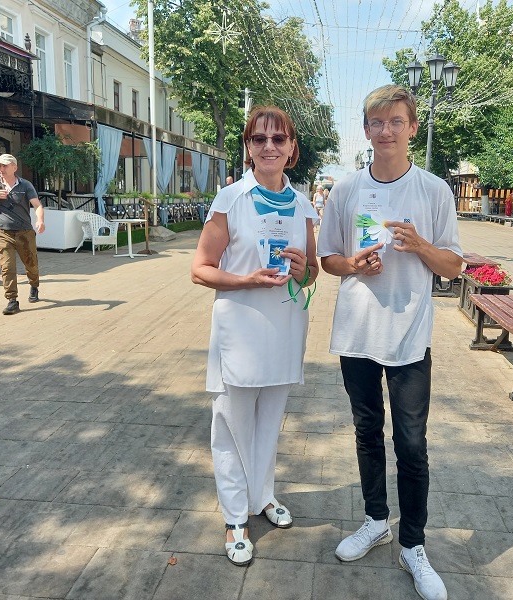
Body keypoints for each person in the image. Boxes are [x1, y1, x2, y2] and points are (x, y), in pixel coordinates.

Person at [317, 84, 462, 600]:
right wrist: (353, 264)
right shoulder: (346, 189)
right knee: (366, 431)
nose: (386, 131)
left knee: (412, 444)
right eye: (376, 122)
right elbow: (327, 259)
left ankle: (413, 545)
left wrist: (420, 245)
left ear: (412, 127)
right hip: (357, 331)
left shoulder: (434, 190)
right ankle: (376, 520)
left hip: (409, 335)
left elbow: (454, 265)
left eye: (396, 121)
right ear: (365, 130)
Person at [191, 105, 318, 567]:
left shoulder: (304, 206)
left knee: (269, 423)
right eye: (259, 138)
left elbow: (313, 271)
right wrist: (246, 279)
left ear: (292, 148)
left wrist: (304, 271)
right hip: (240, 332)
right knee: (231, 426)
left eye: (278, 139)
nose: (269, 146)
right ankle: (234, 517)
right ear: (247, 146)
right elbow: (200, 269)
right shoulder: (230, 201)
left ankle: (262, 496)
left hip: (285, 329)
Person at [0, 154, 44, 315]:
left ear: (14, 167)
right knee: (7, 267)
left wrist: (40, 220)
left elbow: (37, 205)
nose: (1, 169)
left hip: (24, 232)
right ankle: (12, 300)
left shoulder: (25, 185)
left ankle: (34, 285)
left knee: (31, 264)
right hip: (3, 232)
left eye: (5, 166)